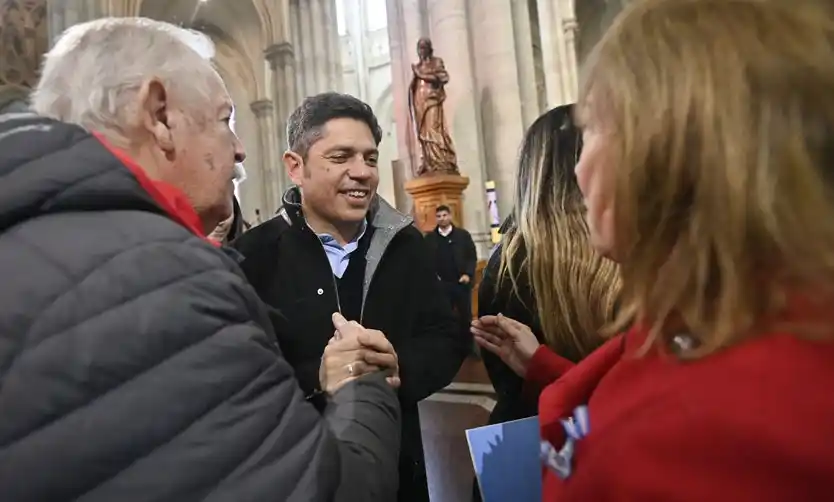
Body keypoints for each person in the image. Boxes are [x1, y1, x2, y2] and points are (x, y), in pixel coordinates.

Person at [0, 18, 401, 501]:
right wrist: (365, 387)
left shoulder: (28, 239)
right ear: (160, 115)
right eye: (223, 119)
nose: (239, 148)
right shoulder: (165, 281)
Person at [481, 0, 834, 499]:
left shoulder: (706, 441)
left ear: (670, 149)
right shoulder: (721, 310)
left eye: (594, 129)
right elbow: (639, 370)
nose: (579, 171)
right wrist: (545, 367)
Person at [232, 92, 468, 502]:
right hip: (296, 473)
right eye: (341, 157)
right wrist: (317, 379)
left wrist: (399, 366)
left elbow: (445, 337)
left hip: (396, 468)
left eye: (371, 158)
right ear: (295, 167)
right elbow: (237, 376)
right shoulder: (254, 256)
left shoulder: (406, 244)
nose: (362, 172)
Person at [472, 105, 620, 423]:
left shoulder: (509, 260)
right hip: (618, 431)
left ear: (532, 170)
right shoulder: (630, 250)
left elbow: (504, 376)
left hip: (539, 430)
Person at [424, 205, 478, 337]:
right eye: (439, 216)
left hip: (461, 283)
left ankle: (468, 346)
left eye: (444, 215)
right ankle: (450, 348)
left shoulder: (463, 235)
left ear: (450, 216)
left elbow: (471, 257)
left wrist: (468, 274)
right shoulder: (429, 239)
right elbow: (425, 261)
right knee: (444, 318)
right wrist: (433, 277)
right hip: (441, 286)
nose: (442, 219)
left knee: (465, 317)